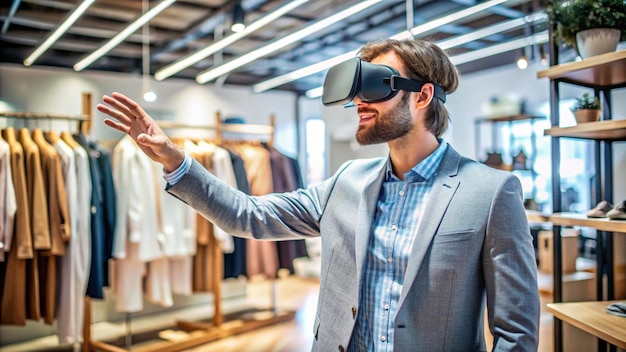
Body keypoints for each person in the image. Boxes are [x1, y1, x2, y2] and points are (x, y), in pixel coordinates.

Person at [97, 38, 540, 352]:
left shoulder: (491, 191)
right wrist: (175, 160)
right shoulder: (347, 182)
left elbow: (516, 332)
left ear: (423, 96)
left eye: (375, 87)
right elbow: (248, 215)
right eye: (356, 91)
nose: (359, 104)